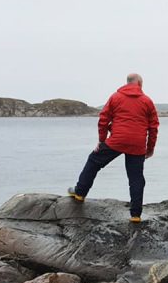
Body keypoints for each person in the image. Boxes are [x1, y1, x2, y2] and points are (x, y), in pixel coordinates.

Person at [68, 73, 159, 223]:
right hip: (137, 143)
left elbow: (103, 120)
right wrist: (150, 148)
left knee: (94, 161)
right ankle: (135, 215)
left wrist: (102, 141)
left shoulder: (115, 97)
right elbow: (153, 127)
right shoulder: (147, 101)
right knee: (136, 178)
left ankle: (80, 193)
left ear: (127, 83)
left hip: (117, 140)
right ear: (139, 84)